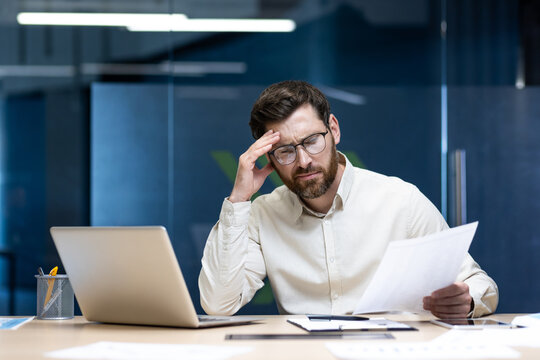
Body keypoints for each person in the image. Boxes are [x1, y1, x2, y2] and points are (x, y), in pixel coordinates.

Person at [199, 80, 498, 318]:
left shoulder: (399, 200)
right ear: (270, 158)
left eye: (312, 141)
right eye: (286, 151)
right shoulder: (263, 214)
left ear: (334, 129)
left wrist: (466, 299)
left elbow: (479, 283)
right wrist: (238, 200)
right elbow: (218, 303)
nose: (303, 160)